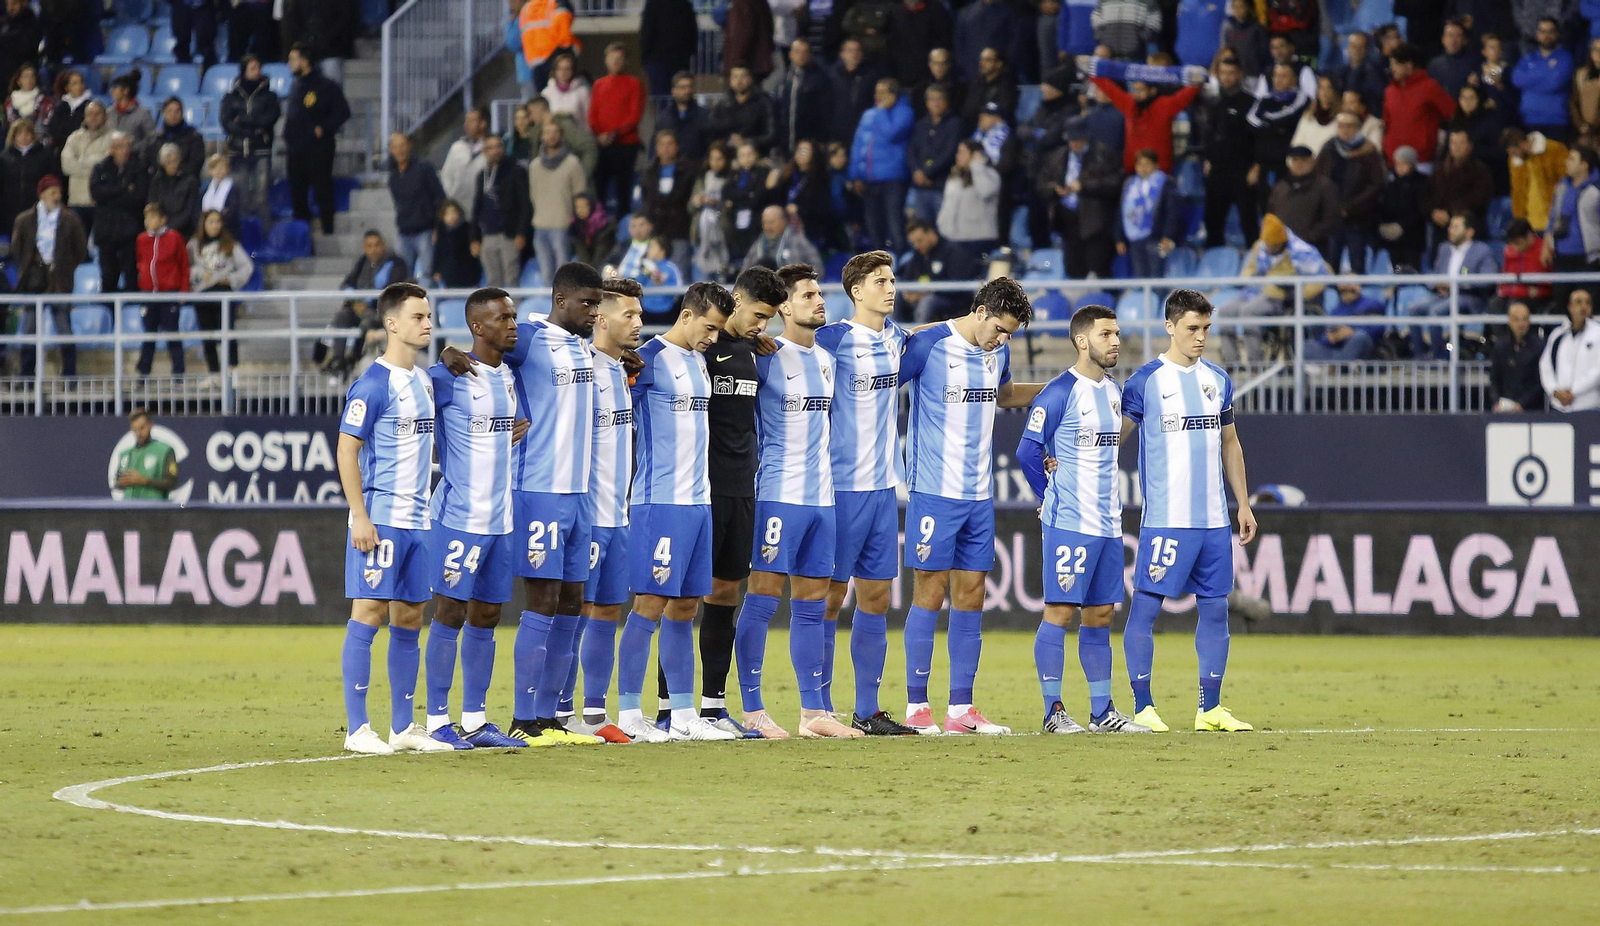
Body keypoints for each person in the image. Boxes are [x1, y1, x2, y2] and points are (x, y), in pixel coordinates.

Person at [439, 264, 609, 746]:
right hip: (538, 490)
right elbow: (482, 351)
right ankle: (524, 718)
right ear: (561, 299)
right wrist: (447, 350)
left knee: (575, 600)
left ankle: (552, 716)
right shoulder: (530, 336)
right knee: (543, 599)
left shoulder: (582, 346)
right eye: (587, 304)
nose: (595, 312)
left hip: (580, 493)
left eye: (599, 304)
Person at [898, 277, 1041, 734]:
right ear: (981, 310)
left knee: (972, 594)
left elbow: (1004, 394)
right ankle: (917, 708)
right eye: (1000, 328)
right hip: (933, 490)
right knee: (929, 591)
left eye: (1010, 335)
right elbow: (879, 392)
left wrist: (1061, 387)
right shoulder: (927, 345)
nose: (1002, 339)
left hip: (979, 494)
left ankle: (961, 709)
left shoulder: (996, 351)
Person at [728, 264, 862, 739]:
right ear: (783, 306)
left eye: (820, 293)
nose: (819, 300)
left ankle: (813, 714)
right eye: (807, 295)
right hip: (777, 497)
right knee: (762, 601)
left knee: (813, 605)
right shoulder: (762, 356)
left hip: (821, 500)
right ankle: (752, 709)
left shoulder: (827, 359)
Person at [645, 269, 780, 733]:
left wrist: (757, 340)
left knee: (725, 594)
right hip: (696, 490)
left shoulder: (754, 352)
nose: (764, 326)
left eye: (770, 319)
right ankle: (668, 708)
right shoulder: (695, 349)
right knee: (679, 601)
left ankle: (712, 705)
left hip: (742, 488)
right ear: (736, 302)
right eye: (759, 315)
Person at [1118, 288, 1256, 734]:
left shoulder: (1217, 379)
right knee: (1146, 611)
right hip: (1166, 520)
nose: (1200, 337)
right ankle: (1143, 707)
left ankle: (1209, 709)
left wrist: (1244, 505)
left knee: (1216, 611)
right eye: (1192, 329)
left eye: (1206, 329)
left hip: (1215, 521)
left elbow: (1230, 444)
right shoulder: (1145, 382)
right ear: (1170, 327)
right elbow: (1114, 440)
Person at [620, 282, 744, 742]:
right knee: (650, 603)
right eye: (709, 327)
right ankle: (630, 712)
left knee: (687, 605)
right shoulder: (646, 359)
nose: (713, 337)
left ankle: (684, 713)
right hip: (659, 501)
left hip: (699, 501)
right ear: (687, 316)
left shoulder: (698, 360)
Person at [1016, 304, 1148, 734]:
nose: (1115, 341)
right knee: (1060, 611)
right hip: (1070, 520)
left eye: (1117, 334)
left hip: (1108, 523)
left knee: (1100, 614)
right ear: (1081, 340)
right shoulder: (1059, 391)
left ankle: (1101, 712)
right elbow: (1026, 450)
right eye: (1106, 334)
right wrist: (1045, 493)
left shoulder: (1113, 391)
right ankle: (1053, 711)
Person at [335, 282, 455, 755]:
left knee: (409, 618)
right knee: (368, 613)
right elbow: (347, 450)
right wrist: (359, 515)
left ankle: (404, 728)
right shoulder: (372, 384)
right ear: (391, 324)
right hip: (380, 520)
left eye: (428, 316)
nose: (427, 323)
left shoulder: (424, 381)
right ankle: (358, 729)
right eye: (418, 316)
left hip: (419, 521)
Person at [417, 288, 532, 751]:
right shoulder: (449, 374)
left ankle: (476, 719)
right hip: (459, 517)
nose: (512, 324)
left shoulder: (509, 375)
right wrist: (444, 352)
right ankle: (435, 720)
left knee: (486, 615)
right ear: (477, 327)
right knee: (450, 611)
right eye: (501, 318)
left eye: (513, 316)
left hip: (501, 519)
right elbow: (408, 387)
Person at [812, 252, 917, 735]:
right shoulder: (831, 339)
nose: (891, 288)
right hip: (840, 488)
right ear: (856, 291)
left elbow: (938, 331)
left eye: (893, 280)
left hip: (881, 489)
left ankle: (868, 710)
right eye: (881, 281)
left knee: (875, 597)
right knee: (830, 600)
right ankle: (820, 709)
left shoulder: (897, 339)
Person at [569, 279, 655, 741]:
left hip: (618, 516)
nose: (638, 323)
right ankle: (559, 714)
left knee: (606, 612)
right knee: (573, 614)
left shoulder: (625, 370)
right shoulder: (579, 366)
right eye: (630, 315)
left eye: (640, 315)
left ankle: (595, 715)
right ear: (600, 317)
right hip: (584, 517)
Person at [1214, 213, 1328, 360]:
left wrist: (1300, 295)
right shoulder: (1260, 245)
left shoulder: (1302, 252)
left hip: (1280, 296)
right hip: (1254, 292)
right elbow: (1249, 269)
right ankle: (1232, 363)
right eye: (1266, 244)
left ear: (1280, 242)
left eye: (1271, 245)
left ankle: (1256, 363)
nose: (1267, 247)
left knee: (1248, 312)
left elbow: (1320, 279)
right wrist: (1249, 278)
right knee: (1225, 312)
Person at [7, 174, 84, 379]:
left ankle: (69, 375)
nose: (56, 196)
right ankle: (27, 375)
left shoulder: (71, 219)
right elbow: (17, 248)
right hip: (33, 281)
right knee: (30, 329)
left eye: (58, 192)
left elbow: (80, 250)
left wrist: (64, 268)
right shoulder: (24, 220)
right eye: (52, 192)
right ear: (41, 194)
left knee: (64, 329)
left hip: (60, 282)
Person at [319, 231, 413, 375]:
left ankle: (356, 358)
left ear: (384, 245)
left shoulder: (396, 263)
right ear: (364, 248)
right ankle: (339, 360)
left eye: (377, 245)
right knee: (342, 316)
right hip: (359, 309)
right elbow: (346, 285)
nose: (373, 249)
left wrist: (368, 304)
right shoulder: (363, 262)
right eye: (369, 246)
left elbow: (392, 292)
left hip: (382, 311)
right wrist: (356, 302)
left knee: (368, 321)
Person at [1039, 116, 1121, 279]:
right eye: (1071, 140)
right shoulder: (1057, 156)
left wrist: (1084, 187)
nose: (1074, 144)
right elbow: (1041, 183)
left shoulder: (1104, 154)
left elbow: (1114, 184)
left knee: (1098, 270)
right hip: (1067, 222)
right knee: (1073, 270)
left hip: (1096, 222)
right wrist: (1054, 190)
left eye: (1078, 139)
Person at [283, 43, 350, 236]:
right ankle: (302, 237)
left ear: (304, 62)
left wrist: (324, 128)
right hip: (296, 150)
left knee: (323, 190)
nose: (289, 64)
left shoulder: (326, 85)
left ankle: (328, 231)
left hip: (318, 149)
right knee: (298, 195)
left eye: (293, 59)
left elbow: (343, 112)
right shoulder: (296, 85)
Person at [1089, 67, 1203, 174]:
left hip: (1159, 170)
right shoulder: (1129, 103)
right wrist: (1091, 70)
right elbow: (1111, 89)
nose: (1136, 94)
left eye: (1141, 90)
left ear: (1152, 91)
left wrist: (1199, 80)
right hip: (1132, 169)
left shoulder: (1165, 105)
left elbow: (1185, 95)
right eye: (1135, 90)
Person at [1313, 112, 1385, 273]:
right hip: (1332, 218)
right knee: (1330, 265)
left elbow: (1375, 185)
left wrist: (1350, 207)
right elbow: (1319, 180)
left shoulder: (1369, 151)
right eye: (1341, 125)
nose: (1344, 130)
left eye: (1349, 126)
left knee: (1357, 264)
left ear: (1358, 128)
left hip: (1358, 219)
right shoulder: (1329, 148)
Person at [850, 77, 914, 255]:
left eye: (882, 92)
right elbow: (858, 144)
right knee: (873, 226)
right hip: (869, 179)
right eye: (876, 92)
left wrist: (881, 111)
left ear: (894, 94)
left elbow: (891, 134)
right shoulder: (869, 114)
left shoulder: (904, 112)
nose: (877, 96)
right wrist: (855, 174)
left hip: (893, 178)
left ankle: (901, 262)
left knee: (895, 224)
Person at [1200, 57, 1259, 247]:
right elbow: (1209, 134)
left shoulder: (1250, 102)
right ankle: (1214, 268)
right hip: (1217, 171)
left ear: (1239, 74)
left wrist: (1256, 166)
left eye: (1231, 73)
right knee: (1212, 221)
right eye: (1223, 73)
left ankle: (1254, 264)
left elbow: (1258, 138)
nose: (1227, 77)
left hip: (1242, 171)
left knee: (1248, 221)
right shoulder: (1212, 102)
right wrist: (1207, 159)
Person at [187, 209, 254, 374]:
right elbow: (185, 269)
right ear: (203, 224)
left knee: (228, 333)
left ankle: (232, 371)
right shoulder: (193, 246)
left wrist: (231, 279)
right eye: (211, 222)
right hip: (202, 294)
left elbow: (247, 266)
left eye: (218, 221)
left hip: (224, 293)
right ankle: (214, 374)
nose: (216, 225)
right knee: (207, 336)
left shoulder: (230, 244)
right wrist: (198, 274)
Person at [219, 54, 279, 219]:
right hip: (238, 151)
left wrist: (243, 120)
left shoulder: (269, 96)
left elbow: (269, 119)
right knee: (241, 196)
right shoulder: (231, 96)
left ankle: (265, 235)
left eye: (258, 68)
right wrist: (249, 128)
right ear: (244, 70)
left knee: (262, 196)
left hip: (261, 149)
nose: (257, 71)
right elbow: (226, 121)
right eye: (252, 68)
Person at [527, 120, 588, 283]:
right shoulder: (534, 165)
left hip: (562, 225)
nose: (551, 136)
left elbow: (580, 195)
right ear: (541, 137)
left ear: (561, 136)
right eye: (547, 132)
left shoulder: (572, 163)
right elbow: (533, 195)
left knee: (563, 276)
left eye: (555, 132)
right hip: (540, 225)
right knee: (546, 274)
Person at [134, 201, 190, 377]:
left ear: (163, 219)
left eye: (152, 217)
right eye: (146, 218)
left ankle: (179, 372)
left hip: (169, 293)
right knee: (148, 334)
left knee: (172, 333)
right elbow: (140, 261)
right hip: (149, 294)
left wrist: (183, 290)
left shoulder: (175, 238)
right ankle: (143, 373)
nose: (148, 221)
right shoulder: (141, 239)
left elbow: (184, 265)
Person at [590, 42, 645, 217]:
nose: (616, 62)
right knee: (599, 189)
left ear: (625, 61)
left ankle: (623, 229)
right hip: (603, 145)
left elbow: (634, 115)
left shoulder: (634, 84)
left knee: (624, 191)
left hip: (626, 145)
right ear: (606, 60)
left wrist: (614, 134)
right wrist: (600, 135)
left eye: (619, 58)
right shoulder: (598, 84)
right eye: (612, 58)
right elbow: (593, 115)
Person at [1383, 43, 1455, 171]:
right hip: (1394, 162)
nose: (1391, 68)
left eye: (1395, 64)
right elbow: (1387, 123)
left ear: (1409, 65)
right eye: (1391, 64)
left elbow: (1453, 113)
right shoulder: (1389, 91)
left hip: (1421, 162)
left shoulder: (1430, 87)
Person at [471, 134, 530, 289]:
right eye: (491, 148)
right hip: (487, 235)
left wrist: (521, 232)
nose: (495, 151)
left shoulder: (516, 170)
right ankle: (495, 313)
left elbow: (524, 204)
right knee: (492, 281)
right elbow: (477, 208)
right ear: (485, 151)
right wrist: (474, 238)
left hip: (508, 234)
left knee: (512, 278)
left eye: (499, 146)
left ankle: (514, 311)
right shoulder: (482, 175)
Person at [89, 132, 145, 294]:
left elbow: (138, 197)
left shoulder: (138, 168)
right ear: (112, 149)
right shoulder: (100, 168)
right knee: (108, 276)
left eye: (127, 146)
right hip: (106, 231)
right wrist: (123, 188)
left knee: (131, 276)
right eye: (120, 147)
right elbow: (96, 194)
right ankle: (109, 313)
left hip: (131, 229)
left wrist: (110, 195)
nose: (125, 150)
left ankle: (131, 314)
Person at [1544, 146, 1600, 305]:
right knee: (1562, 302)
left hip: (1589, 257)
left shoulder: (1597, 189)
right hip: (1562, 255)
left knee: (1590, 304)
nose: (1566, 162)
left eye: (1572, 159)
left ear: (1585, 165)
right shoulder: (1562, 186)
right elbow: (1553, 216)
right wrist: (1546, 243)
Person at [1115, 147, 1181, 279]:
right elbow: (1123, 211)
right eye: (1140, 164)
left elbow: (1172, 212)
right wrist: (1119, 238)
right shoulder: (1129, 184)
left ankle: (1160, 299)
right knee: (1140, 277)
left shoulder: (1166, 183)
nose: (1143, 168)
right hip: (1134, 239)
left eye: (1147, 164)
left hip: (1156, 238)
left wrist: (1167, 235)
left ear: (1156, 165)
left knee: (1157, 276)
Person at [387, 133, 446, 280]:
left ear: (409, 146)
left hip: (425, 231)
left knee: (427, 275)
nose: (400, 150)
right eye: (395, 147)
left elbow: (441, 198)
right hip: (404, 233)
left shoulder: (424, 168)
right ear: (391, 150)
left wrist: (437, 228)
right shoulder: (393, 177)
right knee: (402, 277)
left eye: (402, 145)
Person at [898, 218, 982, 321]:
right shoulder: (918, 255)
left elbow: (956, 285)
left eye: (919, 240)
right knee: (895, 296)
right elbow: (908, 277)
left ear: (931, 233)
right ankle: (891, 334)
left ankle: (920, 334)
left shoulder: (953, 251)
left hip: (952, 301)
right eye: (913, 243)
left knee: (927, 301)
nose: (917, 246)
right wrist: (908, 293)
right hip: (921, 297)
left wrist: (926, 293)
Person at [638, 129, 697, 274]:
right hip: (657, 231)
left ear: (677, 146)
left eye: (670, 144)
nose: (666, 148)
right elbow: (646, 199)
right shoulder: (648, 173)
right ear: (657, 148)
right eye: (662, 144)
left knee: (679, 273)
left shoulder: (689, 170)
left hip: (679, 230)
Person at [1266, 144, 1340, 260]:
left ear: (1312, 161)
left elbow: (1331, 218)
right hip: (1283, 249)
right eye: (1295, 160)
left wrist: (1310, 236)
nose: (1299, 164)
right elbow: (1271, 214)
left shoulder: (1324, 186)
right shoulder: (1281, 186)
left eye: (1304, 160)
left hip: (1314, 248)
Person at [906, 82, 963, 223]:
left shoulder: (955, 124)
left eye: (940, 99)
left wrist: (927, 172)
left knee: (943, 227)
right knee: (920, 227)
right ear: (927, 103)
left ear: (946, 101)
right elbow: (912, 150)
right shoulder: (921, 124)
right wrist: (917, 171)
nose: (936, 103)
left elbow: (950, 153)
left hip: (941, 185)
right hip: (920, 186)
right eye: (932, 99)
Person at [936, 138, 1002, 260]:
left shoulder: (990, 174)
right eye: (958, 152)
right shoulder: (955, 177)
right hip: (954, 239)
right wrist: (942, 226)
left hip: (979, 240)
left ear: (974, 154)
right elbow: (947, 205)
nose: (958, 156)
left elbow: (986, 191)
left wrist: (977, 165)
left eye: (962, 152)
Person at [1247, 62, 1310, 187]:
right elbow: (1250, 122)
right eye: (1276, 76)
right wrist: (1274, 128)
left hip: (1289, 164)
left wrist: (1267, 122)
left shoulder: (1302, 99)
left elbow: (1288, 119)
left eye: (1284, 76)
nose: (1279, 80)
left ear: (1294, 79)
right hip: (1264, 164)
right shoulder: (1264, 100)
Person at [1513, 17, 1574, 143]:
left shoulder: (1565, 58)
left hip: (1556, 121)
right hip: (1529, 120)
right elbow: (1517, 80)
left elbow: (1555, 83)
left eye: (1550, 31)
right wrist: (1547, 71)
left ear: (1557, 34)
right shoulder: (1528, 58)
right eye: (1543, 31)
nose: (1546, 36)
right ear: (1537, 34)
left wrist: (1531, 78)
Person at [1540, 288, 1600, 411]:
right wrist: (1554, 390)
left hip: (1588, 406)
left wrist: (1574, 391)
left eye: (1587, 302)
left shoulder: (1598, 333)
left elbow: (1597, 371)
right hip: (1559, 405)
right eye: (1578, 302)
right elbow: (1545, 366)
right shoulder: (1558, 335)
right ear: (1570, 307)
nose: (1583, 306)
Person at [0, 119, 57, 239]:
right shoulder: (4, 157)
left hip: (37, 205)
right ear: (13, 136)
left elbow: (52, 180)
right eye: (19, 133)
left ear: (33, 134)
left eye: (27, 133)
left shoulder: (44, 155)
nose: (23, 137)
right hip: (10, 207)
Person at [1505, 128, 1569, 235]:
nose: (1513, 156)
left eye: (1514, 152)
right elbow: (1516, 192)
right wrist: (1518, 219)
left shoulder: (1553, 149)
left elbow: (1566, 180)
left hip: (1553, 217)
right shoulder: (1515, 162)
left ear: (1522, 144)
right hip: (1530, 223)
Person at [59, 100, 108, 236]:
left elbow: (106, 166)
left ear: (105, 116)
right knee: (77, 249)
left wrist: (79, 161)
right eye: (89, 114)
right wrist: (94, 163)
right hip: (76, 200)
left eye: (97, 114)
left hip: (100, 202)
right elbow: (66, 166)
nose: (93, 117)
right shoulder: (73, 138)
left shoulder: (113, 139)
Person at [1304, 283, 1384, 362]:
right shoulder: (1336, 311)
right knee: (1308, 346)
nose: (1348, 288)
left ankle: (1335, 366)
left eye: (1351, 284)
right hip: (1339, 349)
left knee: (1359, 337)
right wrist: (1331, 337)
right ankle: (1338, 365)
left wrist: (1352, 331)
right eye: (1344, 285)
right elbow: (1325, 336)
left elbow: (1378, 328)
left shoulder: (1372, 304)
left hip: (1362, 346)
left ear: (1359, 286)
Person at [1491, 301, 1548, 412]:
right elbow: (1495, 378)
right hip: (1505, 408)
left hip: (1533, 409)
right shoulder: (1501, 346)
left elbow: (1540, 381)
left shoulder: (1539, 346)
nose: (1521, 324)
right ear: (1509, 321)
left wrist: (1522, 404)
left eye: (1524, 319)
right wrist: (1496, 401)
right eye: (1516, 319)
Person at [1379, 146, 1429, 270]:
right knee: (1395, 270)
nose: (1399, 167)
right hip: (1392, 240)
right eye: (1397, 163)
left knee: (1410, 272)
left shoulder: (1421, 182)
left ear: (1411, 164)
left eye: (1403, 163)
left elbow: (1420, 210)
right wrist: (1382, 225)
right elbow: (1382, 205)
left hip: (1412, 240)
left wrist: (1402, 226)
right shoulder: (1390, 182)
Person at [708, 65, 776, 153]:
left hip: (756, 154)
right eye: (735, 77)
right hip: (728, 154)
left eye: (743, 76)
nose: (739, 81)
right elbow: (712, 127)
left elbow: (771, 135)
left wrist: (746, 142)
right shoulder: (724, 103)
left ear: (751, 79)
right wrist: (728, 140)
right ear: (730, 80)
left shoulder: (763, 103)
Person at [114, 408, 179, 500]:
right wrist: (122, 482)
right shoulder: (126, 454)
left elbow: (172, 482)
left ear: (150, 425)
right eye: (135, 429)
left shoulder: (165, 451)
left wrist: (144, 481)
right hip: (128, 509)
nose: (138, 433)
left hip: (154, 510)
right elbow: (117, 483)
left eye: (142, 428)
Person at [828, 38, 884, 146]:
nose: (854, 54)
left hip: (863, 131)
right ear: (841, 54)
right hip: (837, 133)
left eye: (857, 50)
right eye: (850, 51)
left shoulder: (871, 76)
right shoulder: (832, 76)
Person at [518, 0, 579, 93]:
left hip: (535, 63)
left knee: (544, 100)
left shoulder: (526, 8)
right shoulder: (556, 4)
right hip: (554, 60)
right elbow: (564, 37)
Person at [439, 107, 489, 221]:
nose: (467, 124)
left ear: (483, 123)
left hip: (483, 211)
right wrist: (449, 200)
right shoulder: (457, 147)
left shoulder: (492, 148)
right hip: (457, 210)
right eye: (466, 121)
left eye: (472, 121)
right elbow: (446, 176)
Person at [640, 0, 697, 96]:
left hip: (657, 61)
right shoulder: (685, 5)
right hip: (680, 60)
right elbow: (693, 34)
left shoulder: (652, 4)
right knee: (681, 96)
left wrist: (644, 58)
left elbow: (646, 33)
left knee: (661, 98)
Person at [742, 203, 822, 271]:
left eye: (771, 222)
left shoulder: (798, 240)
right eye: (764, 223)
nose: (767, 227)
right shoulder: (757, 245)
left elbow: (817, 268)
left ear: (784, 221)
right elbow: (744, 273)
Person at [142, 97, 206, 181]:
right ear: (163, 113)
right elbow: (149, 163)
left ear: (182, 113)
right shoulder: (156, 139)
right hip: (160, 185)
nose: (173, 115)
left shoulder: (194, 137)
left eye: (177, 111)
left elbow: (195, 165)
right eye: (169, 111)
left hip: (185, 185)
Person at [148, 142, 201, 240]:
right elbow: (152, 206)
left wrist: (169, 228)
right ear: (162, 162)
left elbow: (190, 210)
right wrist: (159, 225)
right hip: (159, 231)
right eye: (169, 162)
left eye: (175, 161)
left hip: (184, 233)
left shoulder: (190, 181)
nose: (173, 165)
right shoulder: (157, 181)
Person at [1498, 218, 1552, 311]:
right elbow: (1505, 276)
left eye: (1518, 243)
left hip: (1534, 298)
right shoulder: (1508, 251)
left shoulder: (1545, 252)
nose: (1515, 247)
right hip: (1510, 294)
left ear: (1529, 236)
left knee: (1515, 306)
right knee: (1494, 306)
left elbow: (1553, 281)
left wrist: (1540, 292)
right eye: (1512, 243)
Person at [961, 46, 1020, 128]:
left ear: (999, 64)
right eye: (981, 59)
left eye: (987, 60)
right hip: (972, 126)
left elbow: (1005, 111)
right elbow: (968, 109)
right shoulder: (976, 83)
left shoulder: (1007, 85)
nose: (982, 63)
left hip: (994, 128)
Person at [660, 72, 710, 162]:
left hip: (696, 166)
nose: (687, 91)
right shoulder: (664, 117)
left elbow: (709, 144)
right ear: (673, 90)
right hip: (671, 166)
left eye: (690, 87)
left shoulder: (704, 115)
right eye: (683, 87)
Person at [1289, 75, 1341, 158]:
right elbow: (1297, 143)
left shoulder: (1341, 119)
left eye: (1329, 88)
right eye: (1321, 88)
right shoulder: (1308, 117)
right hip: (1305, 162)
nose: (1324, 92)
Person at [431, 200, 480, 290]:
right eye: (448, 213)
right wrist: (436, 270)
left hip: (468, 275)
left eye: (454, 212)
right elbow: (438, 253)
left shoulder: (468, 229)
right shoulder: (441, 233)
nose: (451, 216)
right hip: (449, 276)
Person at [723, 0, 776, 81]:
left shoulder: (743, 3)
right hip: (757, 63)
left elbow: (741, 35)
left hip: (746, 65)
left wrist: (736, 63)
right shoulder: (759, 3)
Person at [1091, 0, 1161, 59]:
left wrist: (1145, 35)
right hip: (1107, 54)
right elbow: (1096, 14)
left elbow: (1154, 16)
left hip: (1136, 55)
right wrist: (1100, 34)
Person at [1427, 18, 1478, 100]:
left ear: (1464, 40)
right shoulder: (1434, 65)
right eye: (1450, 35)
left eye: (1458, 36)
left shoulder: (1474, 62)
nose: (1453, 40)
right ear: (1443, 39)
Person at [106, 69, 155, 147]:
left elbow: (151, 139)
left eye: (115, 88)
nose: (111, 91)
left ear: (126, 91)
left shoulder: (143, 114)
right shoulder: (109, 112)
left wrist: (131, 146)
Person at [45, 69, 92, 150]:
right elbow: (53, 127)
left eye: (81, 82)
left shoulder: (90, 106)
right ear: (67, 88)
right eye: (74, 83)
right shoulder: (61, 106)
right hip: (60, 146)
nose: (79, 86)